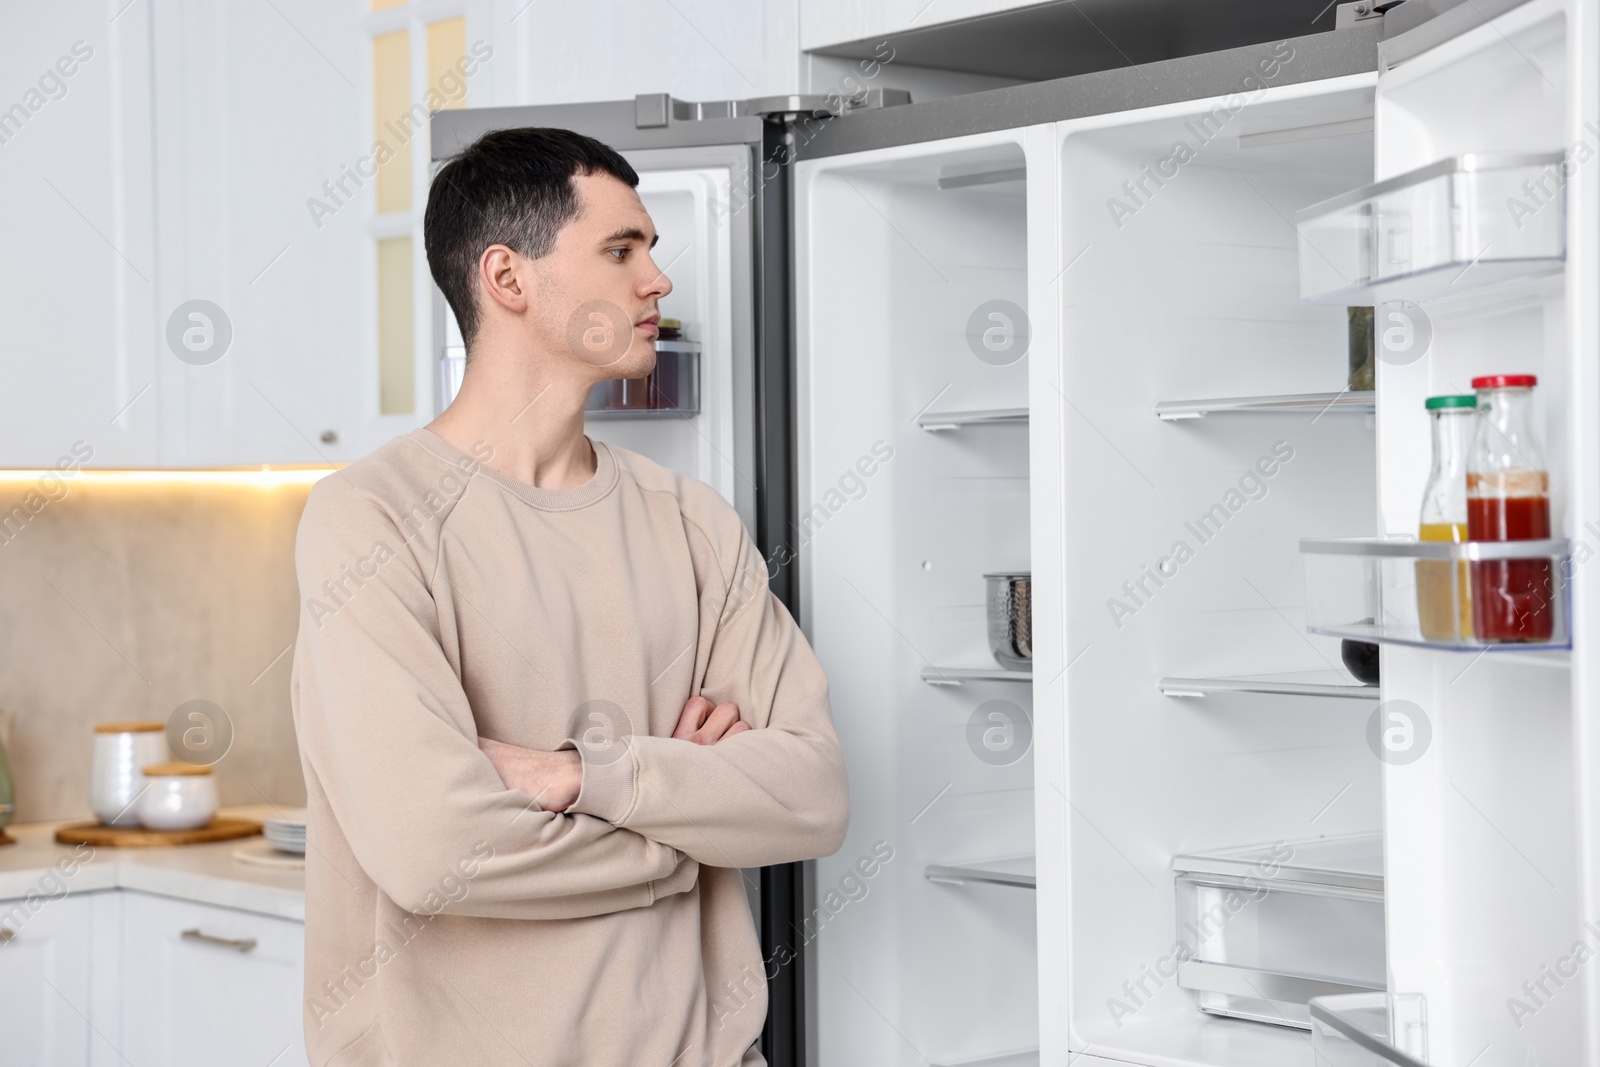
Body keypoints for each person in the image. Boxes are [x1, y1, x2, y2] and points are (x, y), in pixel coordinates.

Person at [290, 126, 849, 1067]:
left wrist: (578, 776)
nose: (657, 283)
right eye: (622, 250)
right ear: (508, 279)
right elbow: (434, 850)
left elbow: (814, 796)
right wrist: (686, 823)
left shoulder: (691, 521)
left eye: (653, 252)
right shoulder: (369, 520)